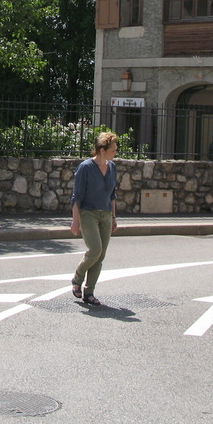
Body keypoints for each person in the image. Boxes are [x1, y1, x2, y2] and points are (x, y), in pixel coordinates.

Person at [70, 130, 119, 306]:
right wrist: (75, 221)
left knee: (101, 256)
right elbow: (77, 197)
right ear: (102, 150)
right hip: (88, 213)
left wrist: (114, 217)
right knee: (95, 250)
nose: (115, 153)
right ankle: (77, 278)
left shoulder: (112, 167)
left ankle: (89, 292)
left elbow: (112, 195)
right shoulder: (85, 168)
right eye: (113, 150)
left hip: (106, 214)